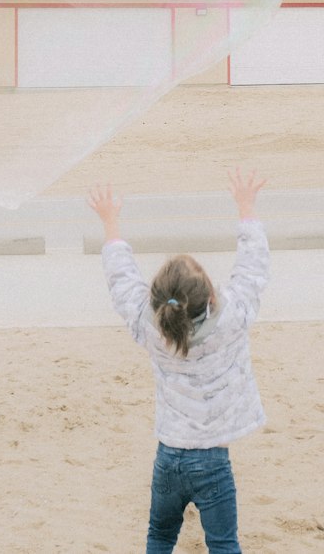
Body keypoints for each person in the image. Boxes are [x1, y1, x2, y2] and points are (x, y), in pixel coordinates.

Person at [88, 168, 269, 554]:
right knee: (223, 545)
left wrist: (111, 222)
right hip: (212, 462)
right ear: (211, 298)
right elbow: (252, 269)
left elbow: (121, 280)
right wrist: (246, 208)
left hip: (168, 457)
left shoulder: (149, 326)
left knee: (159, 537)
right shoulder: (232, 319)